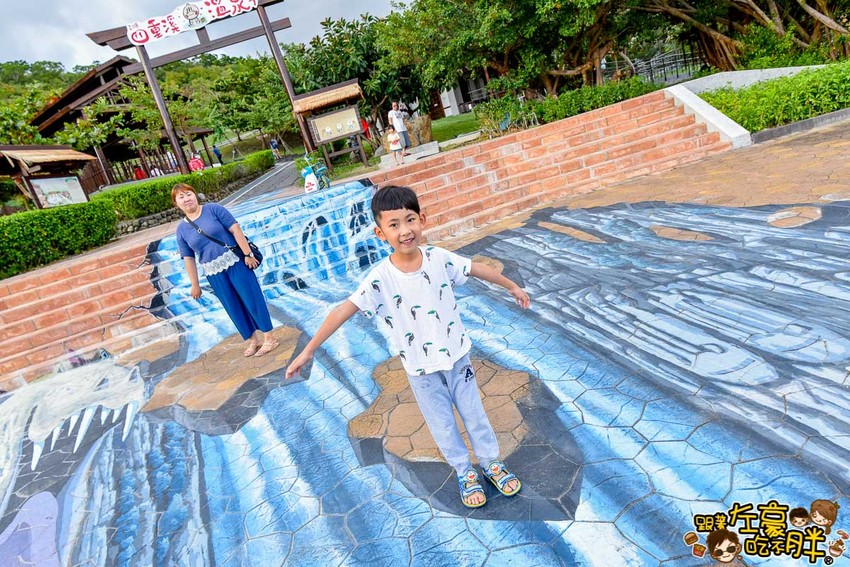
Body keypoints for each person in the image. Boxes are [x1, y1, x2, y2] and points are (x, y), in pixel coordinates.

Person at [286, 185, 530, 508]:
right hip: (421, 370)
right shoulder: (379, 279)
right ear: (379, 231)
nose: (405, 231)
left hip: (457, 358)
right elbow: (343, 309)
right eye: (394, 225)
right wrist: (309, 349)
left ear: (422, 219)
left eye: (410, 220)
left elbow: (475, 268)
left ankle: (490, 463)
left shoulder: (438, 258)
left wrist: (511, 285)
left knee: (475, 414)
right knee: (442, 424)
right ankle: (463, 471)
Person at [173, 183, 279, 357]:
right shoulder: (181, 229)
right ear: (176, 204)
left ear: (195, 195)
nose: (186, 199)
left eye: (188, 194)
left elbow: (236, 229)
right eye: (181, 197)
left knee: (252, 298)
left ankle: (269, 338)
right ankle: (254, 340)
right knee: (233, 306)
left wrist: (248, 253)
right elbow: (188, 258)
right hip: (213, 272)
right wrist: (195, 284)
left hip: (236, 262)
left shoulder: (213, 209)